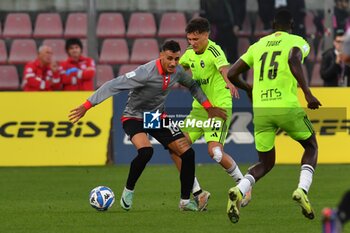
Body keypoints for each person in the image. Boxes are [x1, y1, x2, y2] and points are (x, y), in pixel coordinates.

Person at [68, 40, 227, 211]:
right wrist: (87, 105)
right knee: (146, 152)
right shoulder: (144, 73)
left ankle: (185, 201)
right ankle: (128, 191)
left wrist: (209, 107)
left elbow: (193, 86)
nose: (173, 63)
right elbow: (113, 85)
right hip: (134, 116)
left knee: (188, 153)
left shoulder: (178, 71)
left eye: (176, 59)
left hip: (156, 116)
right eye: (169, 58)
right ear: (161, 56)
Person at [225, 10, 322, 223]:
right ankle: (302, 190)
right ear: (292, 24)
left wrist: (248, 87)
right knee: (311, 146)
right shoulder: (298, 41)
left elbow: (231, 74)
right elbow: (294, 58)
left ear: (272, 24)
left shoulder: (257, 45)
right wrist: (307, 92)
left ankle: (239, 190)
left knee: (265, 162)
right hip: (286, 107)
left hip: (261, 110)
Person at [169, 17, 251, 211]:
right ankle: (199, 194)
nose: (192, 43)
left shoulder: (215, 50)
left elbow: (224, 69)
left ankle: (244, 186)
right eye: (189, 39)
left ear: (206, 35)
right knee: (175, 148)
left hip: (218, 108)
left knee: (214, 152)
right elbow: (180, 69)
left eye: (196, 39)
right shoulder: (189, 53)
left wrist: (229, 82)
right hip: (199, 109)